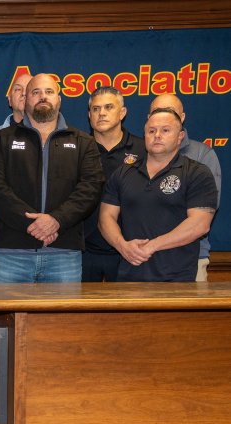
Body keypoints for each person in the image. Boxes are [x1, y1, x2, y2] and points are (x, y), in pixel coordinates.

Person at [0, 73, 104, 285]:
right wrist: (36, 224)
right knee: (7, 319)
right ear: (25, 99)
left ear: (59, 99)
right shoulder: (0, 139)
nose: (43, 96)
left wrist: (56, 220)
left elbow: (90, 189)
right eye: (35, 92)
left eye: (49, 91)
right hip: (11, 253)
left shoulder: (84, 142)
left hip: (64, 252)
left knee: (60, 320)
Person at [99, 107, 217, 282]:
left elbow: (199, 225)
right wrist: (122, 246)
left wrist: (151, 246)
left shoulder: (196, 172)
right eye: (151, 131)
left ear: (180, 137)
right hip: (128, 276)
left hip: (177, 278)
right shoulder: (123, 172)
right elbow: (105, 217)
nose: (157, 135)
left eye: (166, 130)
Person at [148, 94, 221, 281]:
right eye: (156, 112)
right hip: (143, 259)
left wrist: (155, 243)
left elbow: (204, 215)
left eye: (170, 111)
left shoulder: (202, 155)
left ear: (182, 118)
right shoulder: (140, 158)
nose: (163, 115)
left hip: (191, 257)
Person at [83, 86, 146, 283]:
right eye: (95, 109)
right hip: (83, 251)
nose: (101, 113)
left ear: (122, 113)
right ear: (89, 115)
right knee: (79, 313)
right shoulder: (77, 148)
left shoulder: (143, 149)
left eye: (109, 107)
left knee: (126, 314)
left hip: (128, 250)